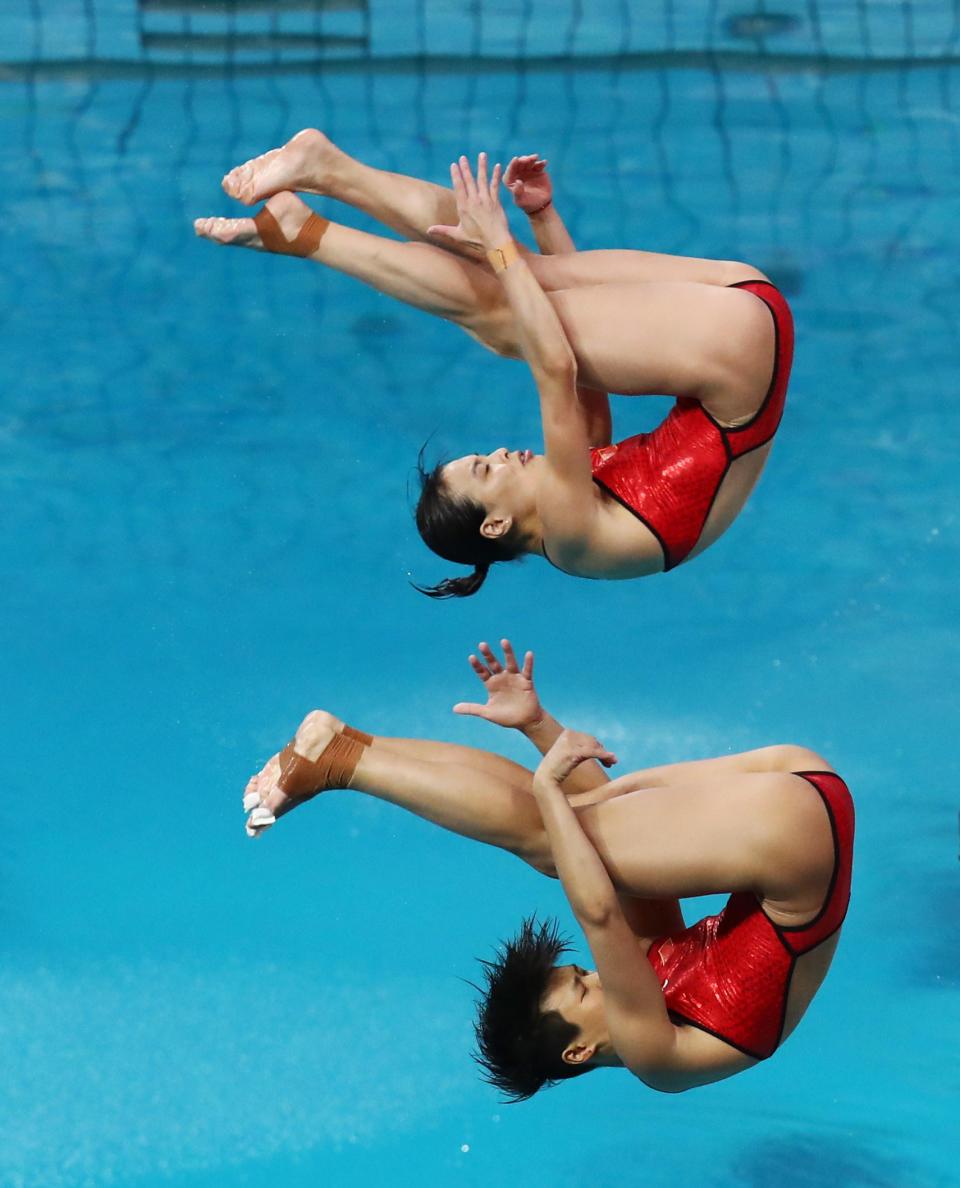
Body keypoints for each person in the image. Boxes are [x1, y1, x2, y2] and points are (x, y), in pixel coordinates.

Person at [241, 640, 853, 1099]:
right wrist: (548, 784)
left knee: (564, 831)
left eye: (584, 973)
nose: (601, 973)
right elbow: (596, 909)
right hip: (797, 820)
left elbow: (616, 827)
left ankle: (352, 744)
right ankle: (344, 759)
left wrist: (538, 727)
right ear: (579, 1050)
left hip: (801, 809)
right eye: (584, 986)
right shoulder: (653, 1055)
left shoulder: (651, 975)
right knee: (552, 840)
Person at [195, 132, 794, 596]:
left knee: (517, 285)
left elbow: (582, 373)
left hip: (742, 327)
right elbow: (556, 367)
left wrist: (541, 221)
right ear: (495, 527)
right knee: (506, 320)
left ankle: (321, 193)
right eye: (486, 469)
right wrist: (499, 242)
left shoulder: (574, 502)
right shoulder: (571, 534)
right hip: (739, 337)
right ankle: (313, 216)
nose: (503, 453)